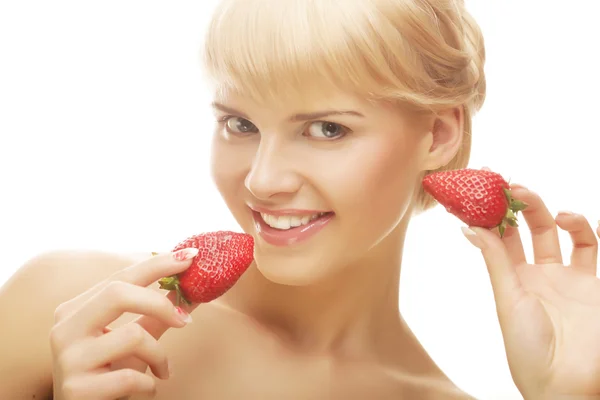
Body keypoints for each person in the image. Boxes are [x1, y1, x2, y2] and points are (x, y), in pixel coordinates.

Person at [1, 0, 599, 399]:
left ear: (437, 134)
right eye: (240, 124)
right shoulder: (75, 314)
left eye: (326, 129)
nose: (262, 180)